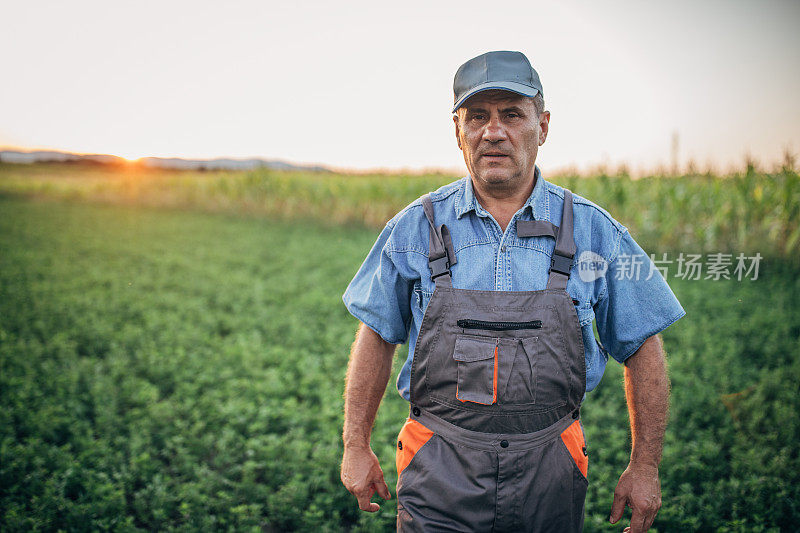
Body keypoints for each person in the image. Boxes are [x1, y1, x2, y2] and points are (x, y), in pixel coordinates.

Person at [339, 50, 685, 532]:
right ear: (458, 132)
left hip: (551, 471)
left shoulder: (593, 231)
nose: (493, 132)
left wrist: (644, 466)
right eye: (476, 117)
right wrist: (355, 445)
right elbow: (376, 334)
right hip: (438, 467)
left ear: (542, 126)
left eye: (512, 115)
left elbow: (644, 344)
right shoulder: (415, 229)